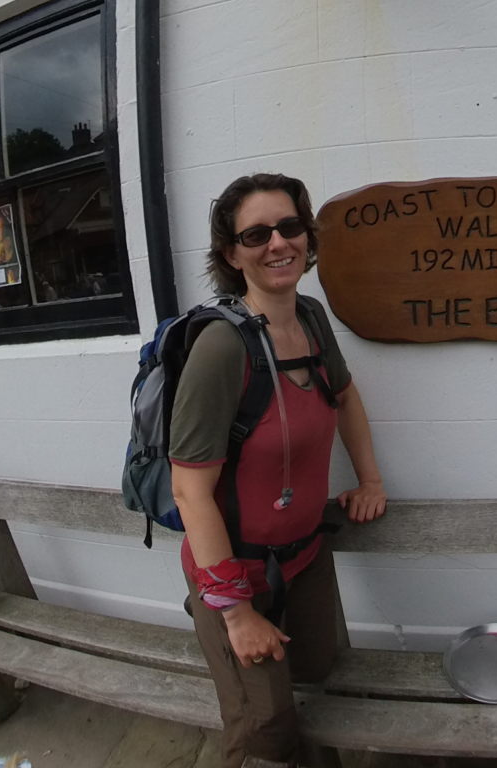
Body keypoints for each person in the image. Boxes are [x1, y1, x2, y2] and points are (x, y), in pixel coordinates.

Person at [170, 172, 387, 768]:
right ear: (230, 254)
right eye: (256, 234)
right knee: (264, 730)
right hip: (236, 575)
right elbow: (189, 490)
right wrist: (237, 614)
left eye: (290, 227)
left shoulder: (310, 318)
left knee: (320, 677)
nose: (277, 243)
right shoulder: (221, 347)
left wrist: (370, 480)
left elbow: (344, 395)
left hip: (305, 555)